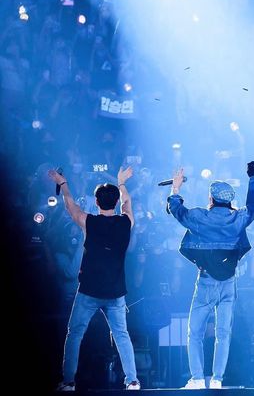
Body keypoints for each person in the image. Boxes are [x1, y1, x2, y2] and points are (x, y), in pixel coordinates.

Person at [167, 162, 254, 390]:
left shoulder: (200, 216)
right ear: (229, 200)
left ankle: (198, 378)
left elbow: (177, 210)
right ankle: (218, 379)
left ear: (211, 199)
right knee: (223, 333)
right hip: (229, 282)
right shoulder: (239, 218)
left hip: (207, 281)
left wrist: (175, 188)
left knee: (194, 332)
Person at [49, 167, 140, 391]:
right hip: (115, 292)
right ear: (115, 202)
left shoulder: (89, 221)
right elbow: (128, 203)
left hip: (89, 291)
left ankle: (69, 382)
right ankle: (132, 380)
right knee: (121, 335)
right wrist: (121, 183)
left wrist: (63, 184)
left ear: (96, 203)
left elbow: (70, 206)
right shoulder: (126, 222)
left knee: (75, 334)